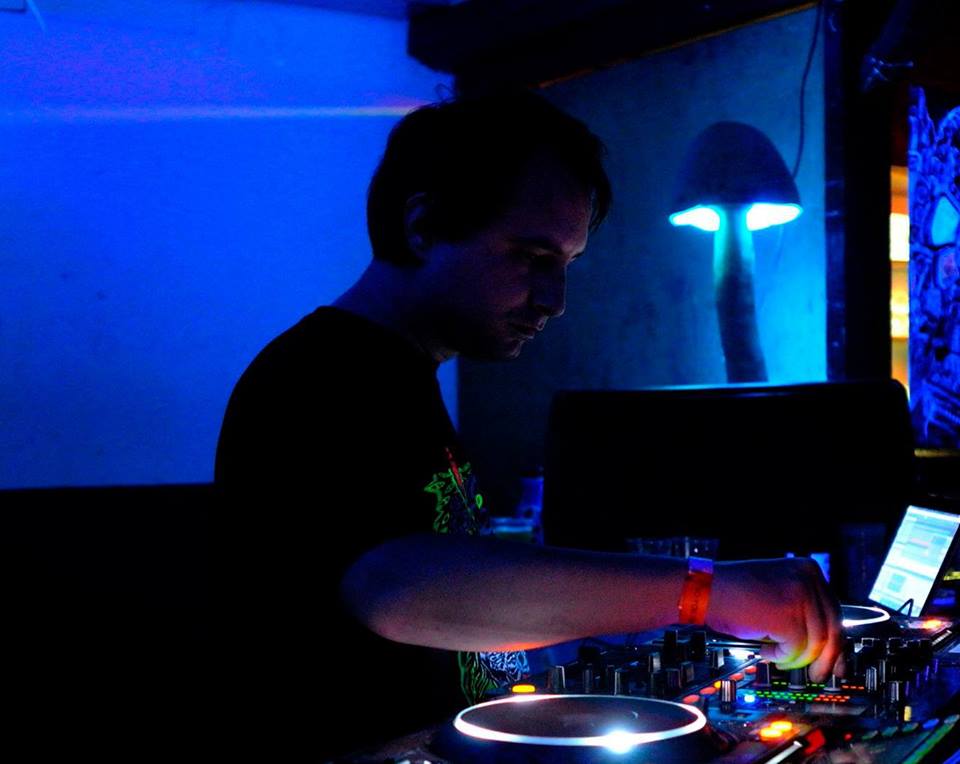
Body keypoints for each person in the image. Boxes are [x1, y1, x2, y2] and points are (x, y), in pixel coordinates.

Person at [215, 90, 842, 759]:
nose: (554, 300)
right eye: (532, 256)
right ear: (423, 227)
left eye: (565, 265)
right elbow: (395, 588)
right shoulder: (322, 375)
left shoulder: (398, 377)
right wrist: (706, 591)